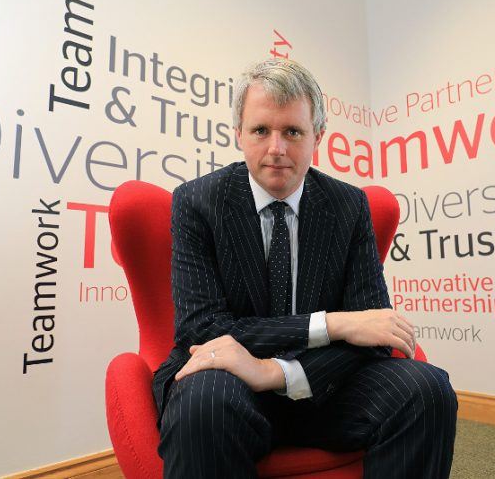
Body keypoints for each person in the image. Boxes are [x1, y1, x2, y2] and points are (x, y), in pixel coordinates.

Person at [152, 58, 457, 478]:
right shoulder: (197, 202)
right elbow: (203, 329)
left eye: (292, 132)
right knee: (203, 403)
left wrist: (275, 373)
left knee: (426, 390)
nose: (276, 148)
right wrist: (332, 324)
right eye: (261, 130)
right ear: (238, 133)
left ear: (319, 136)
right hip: (231, 387)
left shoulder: (349, 206)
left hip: (323, 385)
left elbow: (373, 331)